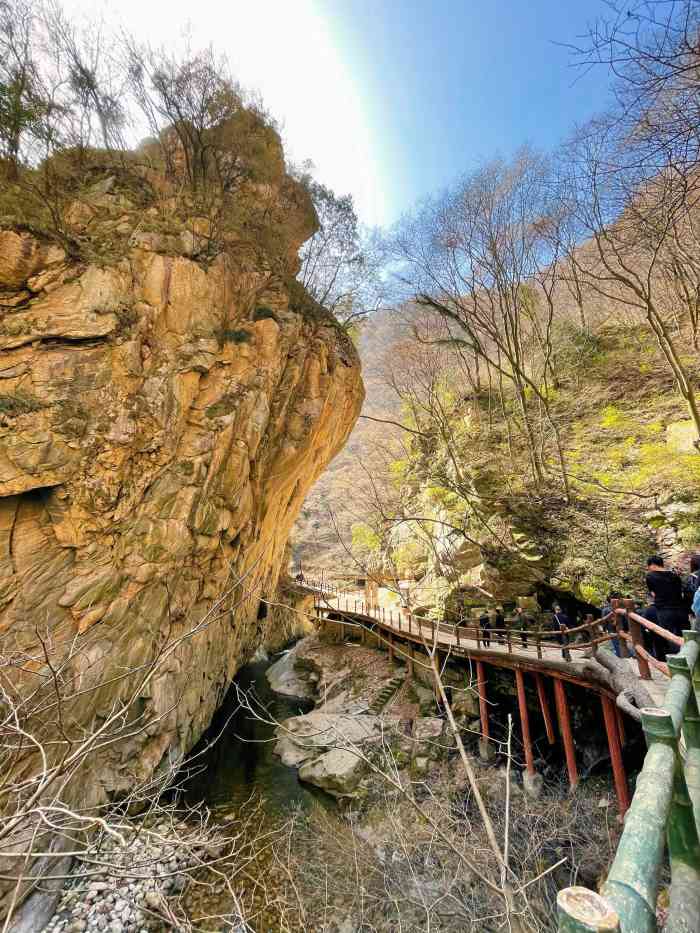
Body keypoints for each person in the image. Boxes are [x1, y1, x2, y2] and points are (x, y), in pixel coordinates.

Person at [646, 555, 687, 645]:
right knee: (685, 637)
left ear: (652, 565)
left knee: (669, 637)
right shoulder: (675, 576)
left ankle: (674, 657)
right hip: (681, 610)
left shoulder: (650, 576)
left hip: (664, 610)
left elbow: (653, 594)